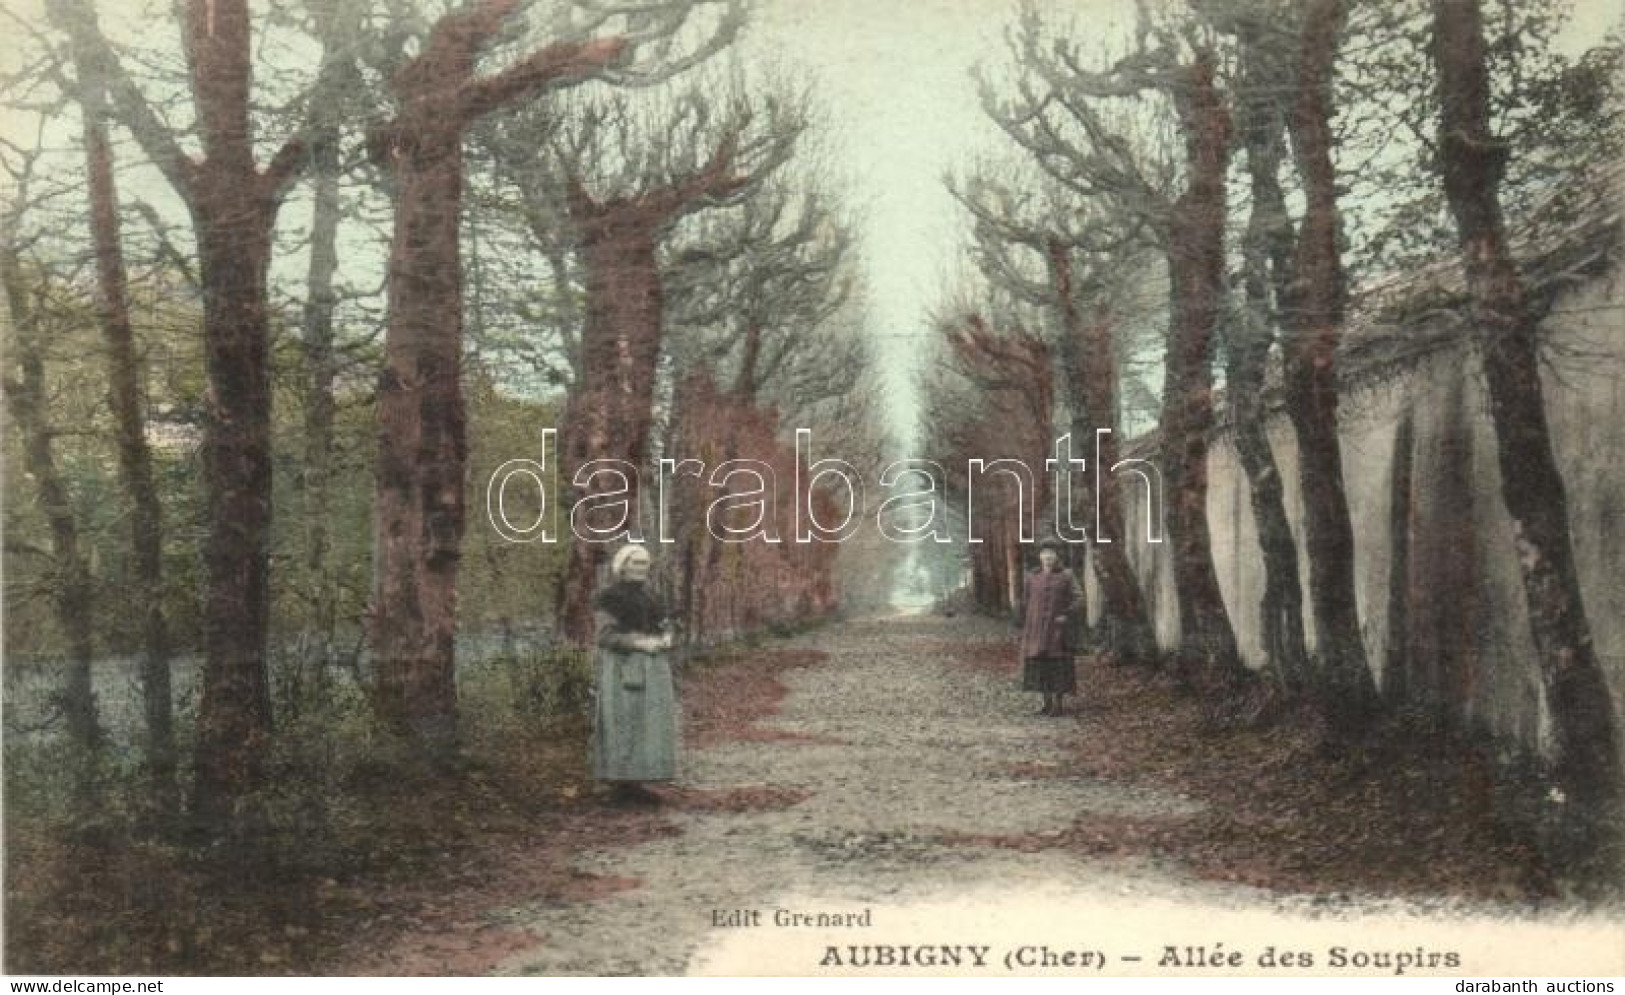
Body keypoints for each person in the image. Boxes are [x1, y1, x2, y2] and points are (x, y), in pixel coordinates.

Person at [591, 543, 678, 806]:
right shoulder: (609, 597)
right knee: (623, 722)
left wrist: (666, 636)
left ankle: (638, 783)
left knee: (646, 724)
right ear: (622, 565)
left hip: (652, 667)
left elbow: (665, 623)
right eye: (635, 563)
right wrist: (640, 643)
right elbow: (604, 635)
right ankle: (620, 785)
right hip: (622, 668)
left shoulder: (651, 596)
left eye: (644, 564)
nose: (640, 569)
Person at [1014, 536, 1084, 717]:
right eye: (1045, 553)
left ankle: (1058, 704)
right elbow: (1025, 601)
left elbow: (1079, 599)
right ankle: (1046, 703)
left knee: (1058, 666)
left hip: (1057, 631)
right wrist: (1025, 622)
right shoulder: (1032, 577)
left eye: (1052, 554)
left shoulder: (1066, 575)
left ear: (1057, 556)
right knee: (1040, 667)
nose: (1048, 557)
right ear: (1039, 556)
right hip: (1036, 630)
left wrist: (1066, 614)